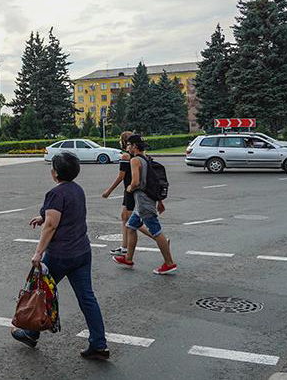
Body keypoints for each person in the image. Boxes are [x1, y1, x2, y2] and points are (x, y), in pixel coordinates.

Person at [10, 152, 109, 360]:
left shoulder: (55, 193)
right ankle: (99, 344)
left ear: (55, 173)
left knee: (39, 291)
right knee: (87, 298)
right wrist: (43, 216)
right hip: (82, 251)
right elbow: (63, 214)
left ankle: (30, 332)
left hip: (60, 255)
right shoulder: (77, 189)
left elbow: (51, 225)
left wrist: (38, 253)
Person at [113, 135, 177, 274]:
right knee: (130, 227)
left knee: (156, 231)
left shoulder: (135, 160)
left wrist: (129, 188)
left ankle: (169, 263)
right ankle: (128, 259)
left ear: (135, 146)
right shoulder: (146, 159)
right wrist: (159, 201)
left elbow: (135, 182)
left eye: (129, 145)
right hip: (144, 201)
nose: (127, 147)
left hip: (143, 201)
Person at [102, 131, 134, 256]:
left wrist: (108, 191)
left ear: (124, 142)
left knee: (133, 221)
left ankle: (159, 238)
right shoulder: (136, 154)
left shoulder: (125, 156)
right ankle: (124, 247)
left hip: (130, 190)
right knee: (124, 217)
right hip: (130, 190)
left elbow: (121, 176)